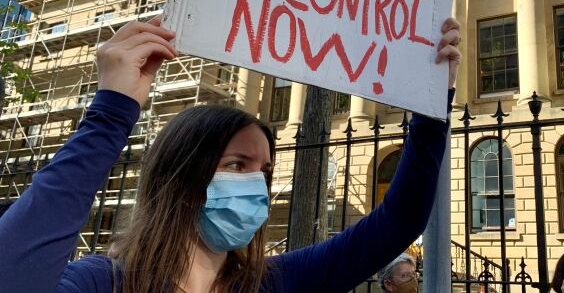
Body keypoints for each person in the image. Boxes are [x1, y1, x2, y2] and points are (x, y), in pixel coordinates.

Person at [0, 16, 462, 293]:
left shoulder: (274, 283)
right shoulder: (105, 282)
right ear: (181, 177)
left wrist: (431, 106)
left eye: (262, 170)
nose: (255, 185)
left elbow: (399, 222)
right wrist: (110, 114)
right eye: (237, 165)